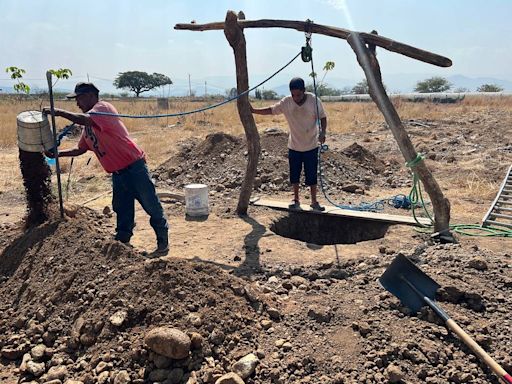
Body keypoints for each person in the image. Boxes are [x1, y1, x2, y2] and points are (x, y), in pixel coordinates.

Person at [43, 82, 169, 257]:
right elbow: (80, 149)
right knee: (122, 208)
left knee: (151, 206)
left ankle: (162, 244)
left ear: (91, 96)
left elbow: (83, 119)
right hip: (118, 173)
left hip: (134, 168)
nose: (77, 103)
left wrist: (58, 112)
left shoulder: (103, 109)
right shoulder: (88, 128)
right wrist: (57, 154)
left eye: (79, 98)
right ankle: (122, 242)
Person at [250, 77, 327, 211]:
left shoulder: (313, 101)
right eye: (293, 95)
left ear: (304, 91)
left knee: (312, 175)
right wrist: (254, 110)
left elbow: (323, 117)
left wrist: (323, 132)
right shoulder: (286, 102)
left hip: (311, 145)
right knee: (294, 175)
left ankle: (314, 201)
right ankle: (295, 199)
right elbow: (271, 110)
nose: (296, 98)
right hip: (294, 146)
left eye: (298, 95)